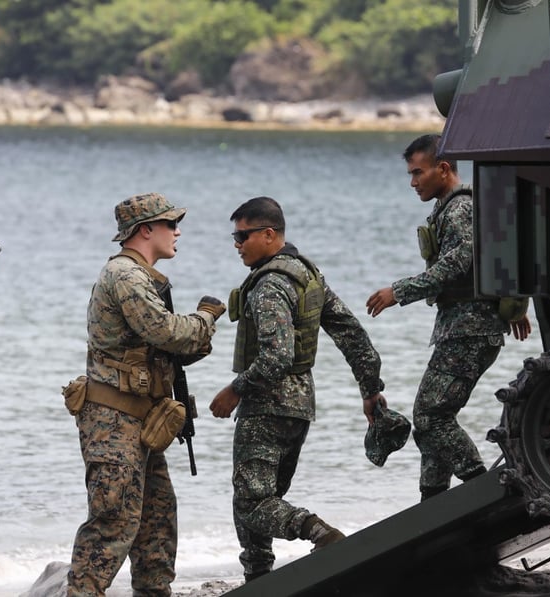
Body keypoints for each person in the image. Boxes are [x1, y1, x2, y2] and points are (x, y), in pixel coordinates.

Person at [209, 196, 387, 583]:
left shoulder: (270, 284)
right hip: (299, 407)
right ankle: (258, 578)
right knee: (262, 497)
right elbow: (350, 332)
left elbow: (276, 357)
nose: (236, 245)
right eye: (234, 237)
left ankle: (317, 532)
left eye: (242, 236)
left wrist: (234, 389)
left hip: (266, 408)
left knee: (252, 502)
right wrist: (370, 388)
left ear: (268, 234)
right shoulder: (307, 275)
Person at [67, 192, 225, 597]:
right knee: (112, 522)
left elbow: (167, 349)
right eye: (170, 224)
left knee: (157, 521)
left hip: (139, 422)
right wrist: (205, 318)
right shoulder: (127, 275)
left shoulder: (144, 278)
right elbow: (166, 332)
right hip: (114, 422)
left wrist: (194, 338)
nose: (177, 232)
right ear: (145, 230)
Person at [366, 134, 531, 502]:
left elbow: (458, 263)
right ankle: (433, 501)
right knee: (435, 416)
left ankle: (480, 493)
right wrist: (516, 305)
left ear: (443, 169)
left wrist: (400, 291)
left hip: (469, 332)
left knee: (429, 418)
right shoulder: (459, 207)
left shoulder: (459, 209)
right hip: (464, 329)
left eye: (417, 173)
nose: (413, 182)